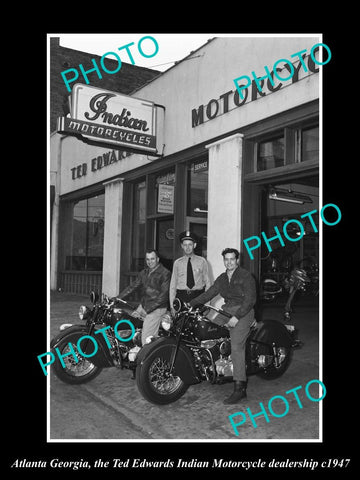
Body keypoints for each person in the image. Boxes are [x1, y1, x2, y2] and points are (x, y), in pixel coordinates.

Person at [189, 248, 257, 404]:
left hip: (244, 312)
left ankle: (240, 389)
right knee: (208, 331)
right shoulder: (222, 278)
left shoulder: (246, 276)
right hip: (227, 310)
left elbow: (250, 300)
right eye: (226, 259)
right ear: (224, 260)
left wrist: (236, 317)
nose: (229, 262)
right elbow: (209, 294)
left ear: (237, 260)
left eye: (232, 259)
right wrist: (190, 303)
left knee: (236, 346)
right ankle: (215, 366)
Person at [116, 249, 171, 345]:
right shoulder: (144, 273)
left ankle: (145, 356)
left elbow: (163, 296)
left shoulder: (165, 273)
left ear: (158, 259)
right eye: (148, 259)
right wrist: (118, 298)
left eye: (152, 259)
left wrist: (148, 309)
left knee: (146, 338)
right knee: (128, 327)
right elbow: (132, 287)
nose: (150, 262)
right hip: (144, 305)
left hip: (157, 308)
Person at [169, 230, 211, 314]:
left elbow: (208, 283)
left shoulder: (202, 261)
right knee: (180, 325)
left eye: (190, 245)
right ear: (182, 246)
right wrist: (172, 305)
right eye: (185, 245)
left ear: (194, 245)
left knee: (197, 325)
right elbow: (173, 285)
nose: (187, 247)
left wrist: (207, 304)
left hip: (198, 297)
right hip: (181, 298)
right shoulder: (177, 263)